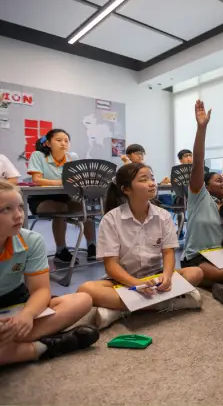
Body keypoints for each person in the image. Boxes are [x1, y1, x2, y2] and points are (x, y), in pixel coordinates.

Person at [77, 163, 204, 329]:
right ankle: (165, 303)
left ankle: (119, 310)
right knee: (86, 289)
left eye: (152, 178)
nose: (152, 183)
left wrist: (167, 276)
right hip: (123, 280)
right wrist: (135, 283)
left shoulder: (163, 216)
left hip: (155, 276)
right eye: (143, 180)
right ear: (126, 189)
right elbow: (111, 265)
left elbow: (168, 253)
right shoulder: (111, 219)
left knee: (195, 272)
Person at [0, 180, 99, 366]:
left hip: (16, 301)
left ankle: (11, 345)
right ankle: (43, 346)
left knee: (82, 300)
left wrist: (27, 315)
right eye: (6, 209)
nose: (18, 215)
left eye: (20, 207)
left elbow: (40, 290)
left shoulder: (31, 240)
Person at [181, 100, 223, 305]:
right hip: (198, 257)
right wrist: (202, 128)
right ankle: (220, 284)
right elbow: (198, 163)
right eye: (218, 180)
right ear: (206, 186)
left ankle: (221, 285)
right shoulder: (199, 197)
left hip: (222, 257)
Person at [26, 129, 96, 263]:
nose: (63, 143)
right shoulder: (38, 155)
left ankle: (92, 246)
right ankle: (61, 250)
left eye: (66, 141)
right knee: (61, 209)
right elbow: (37, 180)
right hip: (42, 199)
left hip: (65, 197)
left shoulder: (72, 157)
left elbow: (76, 179)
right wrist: (60, 182)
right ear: (48, 143)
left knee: (85, 208)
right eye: (58, 140)